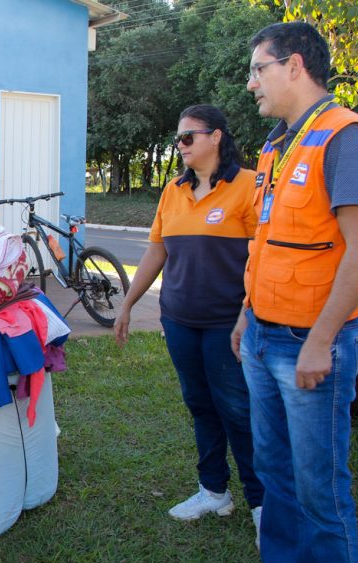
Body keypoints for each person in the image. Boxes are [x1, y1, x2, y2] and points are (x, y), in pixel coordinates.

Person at [232, 22, 358, 563]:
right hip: (263, 338)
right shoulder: (276, 144)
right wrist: (247, 311)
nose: (251, 84)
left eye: (258, 69)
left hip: (310, 345)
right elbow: (268, 240)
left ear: (294, 65)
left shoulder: (345, 138)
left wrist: (321, 340)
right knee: (276, 478)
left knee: (320, 489)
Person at [114, 105, 264, 541]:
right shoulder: (174, 191)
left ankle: (261, 502)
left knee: (237, 409)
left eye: (187, 138)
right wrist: (127, 305)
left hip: (227, 323)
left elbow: (263, 258)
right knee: (200, 404)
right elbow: (156, 252)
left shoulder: (249, 185)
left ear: (216, 137)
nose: (180, 147)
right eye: (177, 139)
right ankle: (213, 490)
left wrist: (246, 314)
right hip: (180, 319)